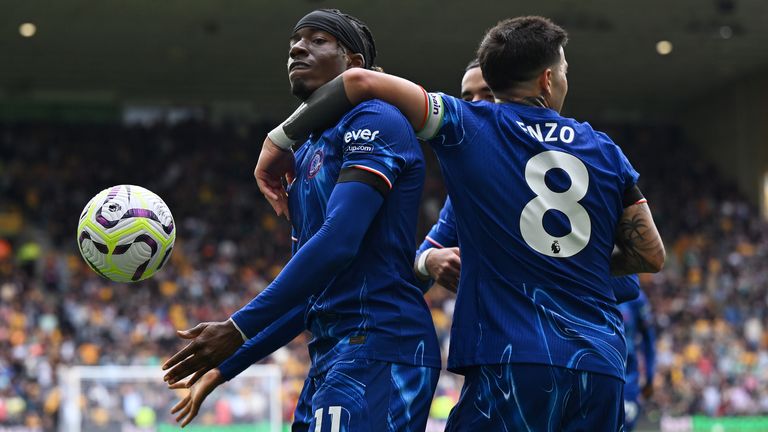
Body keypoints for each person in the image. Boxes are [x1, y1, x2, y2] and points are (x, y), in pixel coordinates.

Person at [256, 16, 666, 431]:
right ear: (547, 80)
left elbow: (360, 82)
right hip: (600, 365)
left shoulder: (470, 126)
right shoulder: (605, 150)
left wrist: (278, 140)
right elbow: (650, 254)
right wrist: (565, 259)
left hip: (510, 359)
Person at [162, 9, 441, 430]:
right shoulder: (307, 151)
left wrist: (238, 327)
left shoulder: (374, 120)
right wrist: (224, 367)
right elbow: (311, 296)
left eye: (318, 39)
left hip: (380, 344)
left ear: (354, 63)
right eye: (295, 40)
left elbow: (339, 242)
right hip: (334, 353)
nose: (297, 47)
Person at [415, 59, 493, 292]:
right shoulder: (469, 188)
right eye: (468, 99)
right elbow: (417, 267)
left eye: (488, 95)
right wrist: (427, 261)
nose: (476, 106)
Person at [619, 284, 657, 431]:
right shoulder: (588, 283)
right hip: (595, 372)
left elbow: (649, 339)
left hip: (627, 378)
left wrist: (649, 377)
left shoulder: (636, 297)